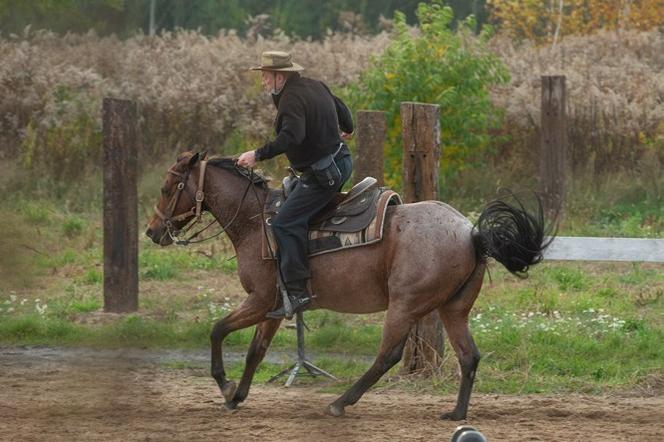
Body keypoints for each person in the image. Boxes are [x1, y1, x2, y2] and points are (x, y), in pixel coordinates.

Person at [237, 50, 354, 319]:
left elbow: (293, 136)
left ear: (280, 77)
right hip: (342, 161)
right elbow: (343, 110)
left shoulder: (290, 99)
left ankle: (298, 292)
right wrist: (349, 127)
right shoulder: (315, 85)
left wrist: (257, 154)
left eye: (266, 77)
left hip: (324, 175)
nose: (263, 82)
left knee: (284, 223)